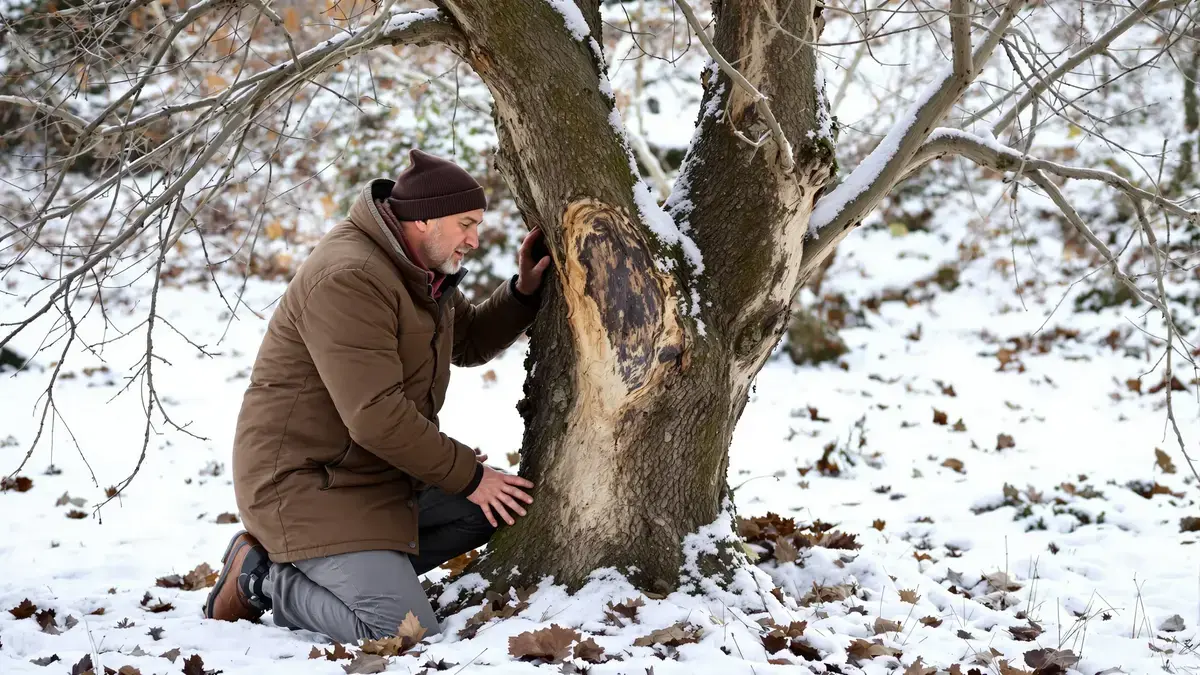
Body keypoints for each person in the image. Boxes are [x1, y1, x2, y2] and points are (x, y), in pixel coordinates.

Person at [203, 149, 551, 643]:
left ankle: (355, 571)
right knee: (401, 630)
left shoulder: (415, 268)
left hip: (373, 473)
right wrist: (464, 472)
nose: (474, 239)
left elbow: (467, 341)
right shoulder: (351, 276)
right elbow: (375, 416)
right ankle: (261, 578)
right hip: (308, 487)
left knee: (496, 510)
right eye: (465, 224)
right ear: (423, 220)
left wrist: (521, 292)